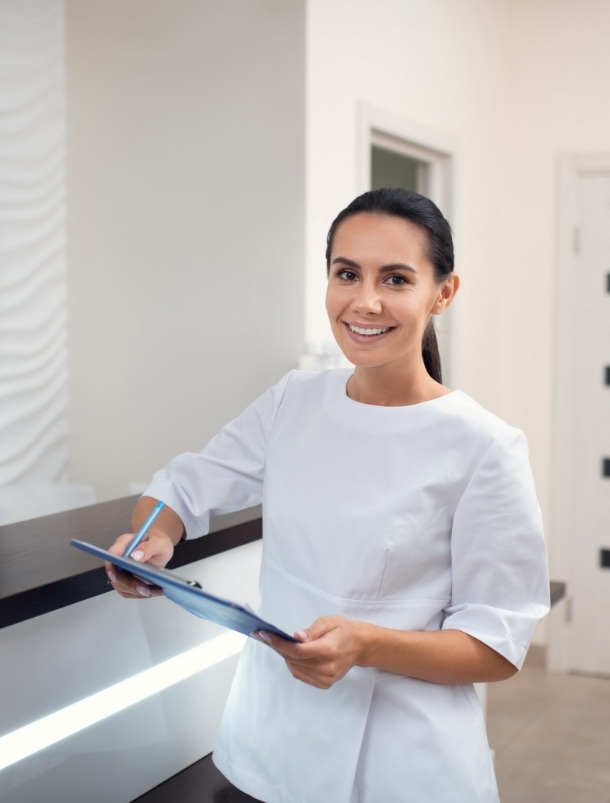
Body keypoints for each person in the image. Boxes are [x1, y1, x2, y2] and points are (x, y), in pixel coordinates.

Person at [107, 188, 550, 803]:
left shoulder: (485, 446)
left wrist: (367, 644)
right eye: (347, 274)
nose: (364, 302)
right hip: (266, 743)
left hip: (400, 769)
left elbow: (496, 645)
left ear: (442, 293)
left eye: (395, 278)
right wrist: (151, 538)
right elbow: (183, 484)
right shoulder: (294, 399)